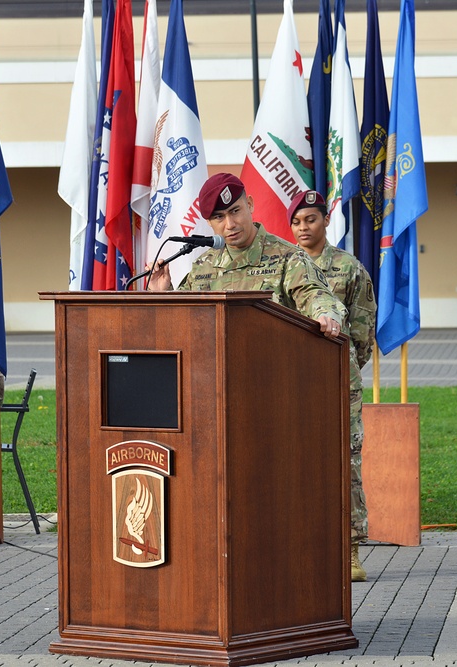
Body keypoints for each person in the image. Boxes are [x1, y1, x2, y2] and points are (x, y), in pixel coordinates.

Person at [289, 190, 377, 582]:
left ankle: (350, 550)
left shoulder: (349, 267)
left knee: (345, 461)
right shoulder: (282, 264)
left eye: (310, 219)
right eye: (296, 221)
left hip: (340, 378)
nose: (303, 228)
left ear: (326, 221)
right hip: (290, 380)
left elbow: (362, 328)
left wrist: (343, 367)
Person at [147, 173, 346, 338]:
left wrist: (326, 314)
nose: (230, 224)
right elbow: (182, 319)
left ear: (249, 205)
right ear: (208, 222)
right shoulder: (203, 265)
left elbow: (314, 294)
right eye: (219, 217)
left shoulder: (289, 257)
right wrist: (163, 293)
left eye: (235, 211)